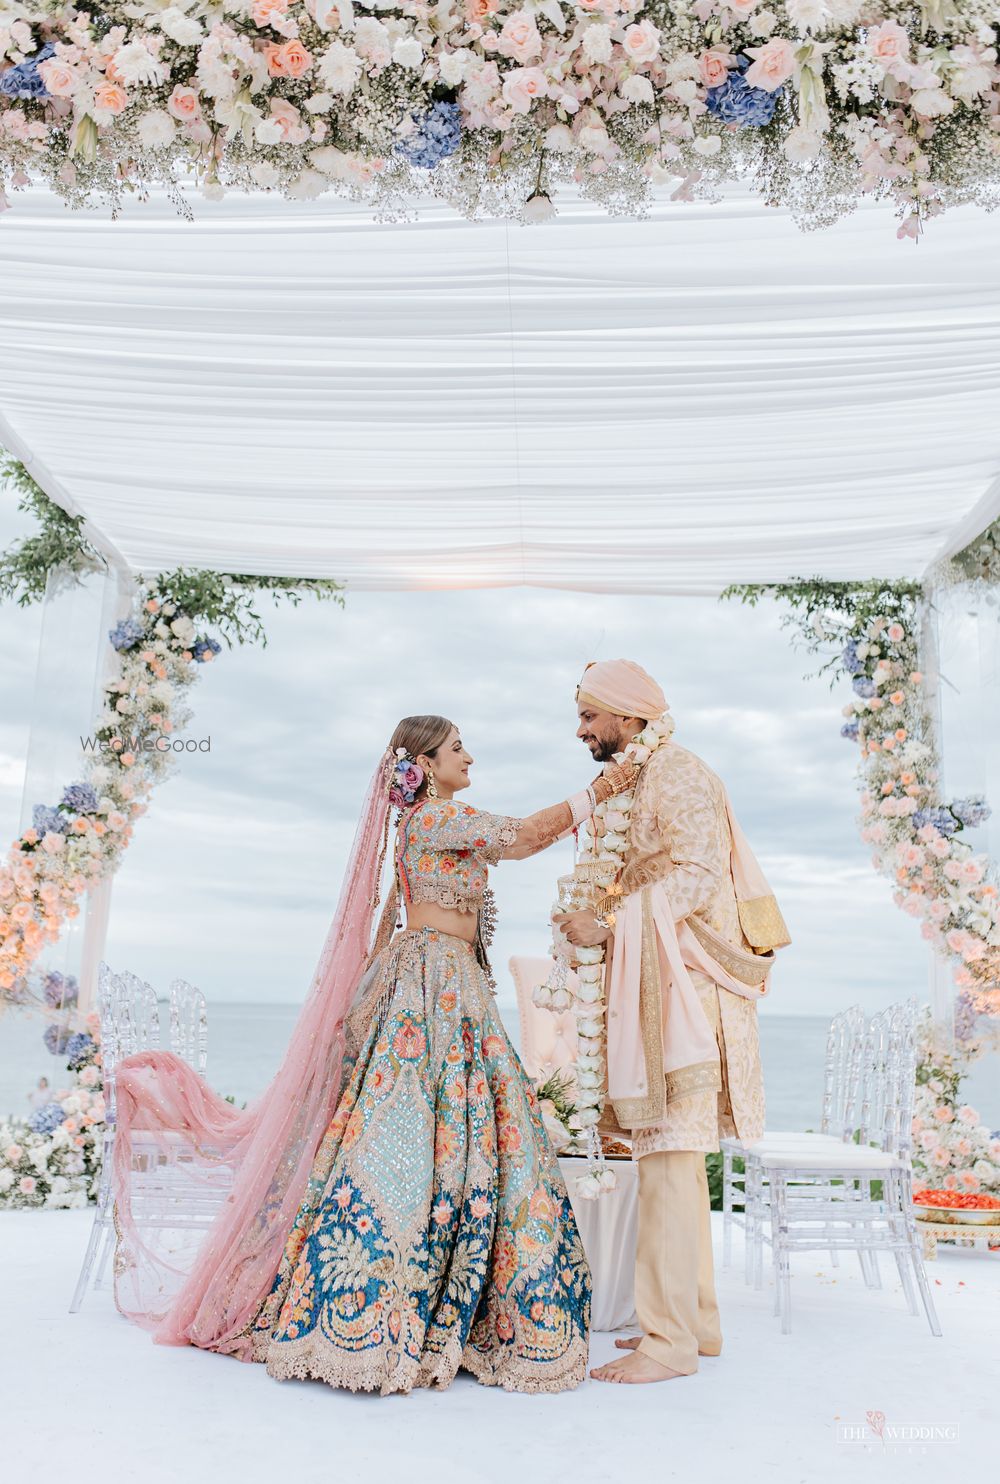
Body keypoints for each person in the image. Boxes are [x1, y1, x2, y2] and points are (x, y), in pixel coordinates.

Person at [112, 715, 638, 1397]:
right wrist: (604, 788)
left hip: (452, 986)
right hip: (431, 992)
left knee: (470, 1135)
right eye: (456, 749)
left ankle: (461, 1297)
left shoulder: (424, 825)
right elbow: (528, 836)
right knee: (409, 1137)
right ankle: (368, 1314)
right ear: (422, 763)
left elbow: (408, 906)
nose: (469, 756)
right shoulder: (431, 820)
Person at [555, 660, 791, 1385]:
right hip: (664, 986)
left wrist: (610, 922)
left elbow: (698, 875)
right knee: (675, 1167)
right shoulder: (645, 774)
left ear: (629, 717)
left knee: (666, 1166)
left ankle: (668, 1344)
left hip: (685, 997)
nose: (582, 729)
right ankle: (696, 1326)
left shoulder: (677, 771)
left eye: (591, 715)